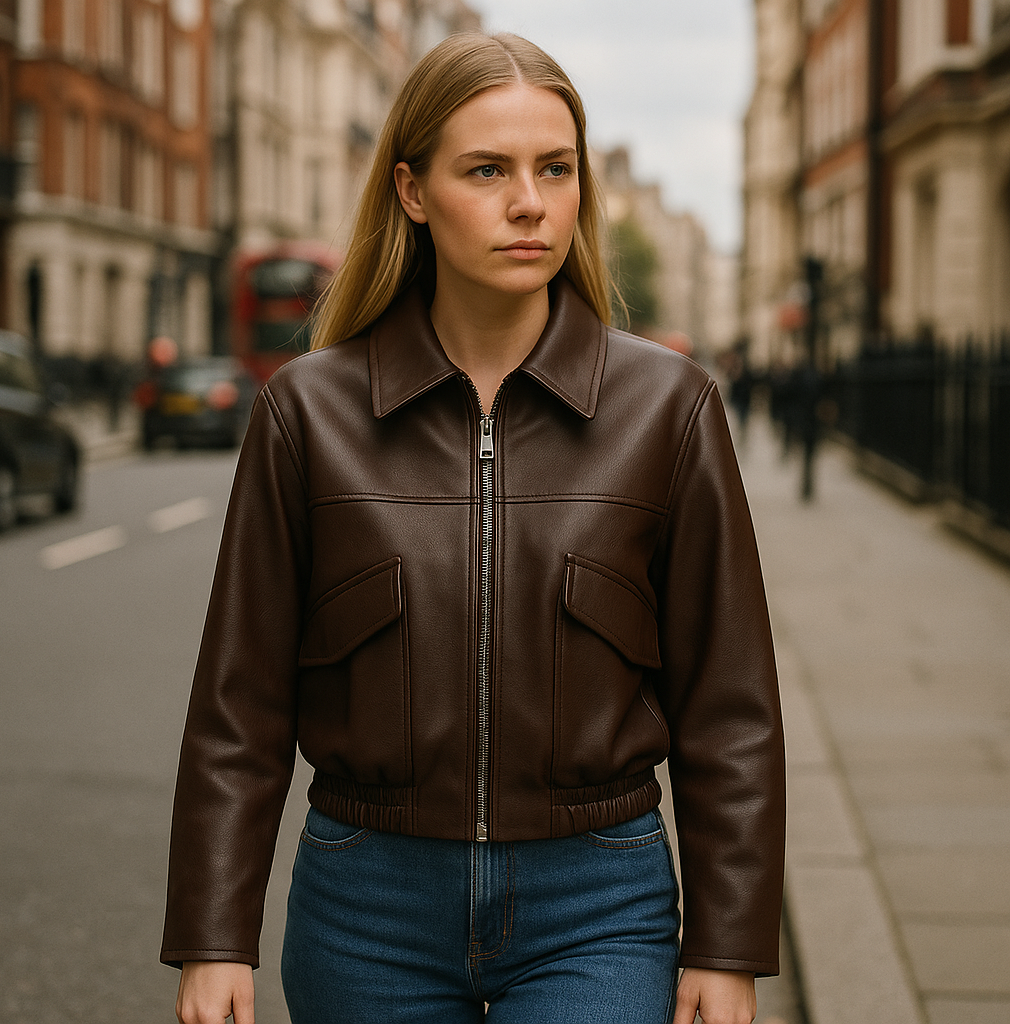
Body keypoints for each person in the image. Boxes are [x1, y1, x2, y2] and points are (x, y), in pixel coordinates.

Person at [162, 31, 785, 1024]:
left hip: (599, 902)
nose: (528, 201)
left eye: (555, 168)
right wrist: (211, 932)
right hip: (367, 902)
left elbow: (730, 705)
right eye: (486, 169)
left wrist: (728, 940)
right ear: (413, 191)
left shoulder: (669, 408)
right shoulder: (309, 413)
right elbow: (239, 702)